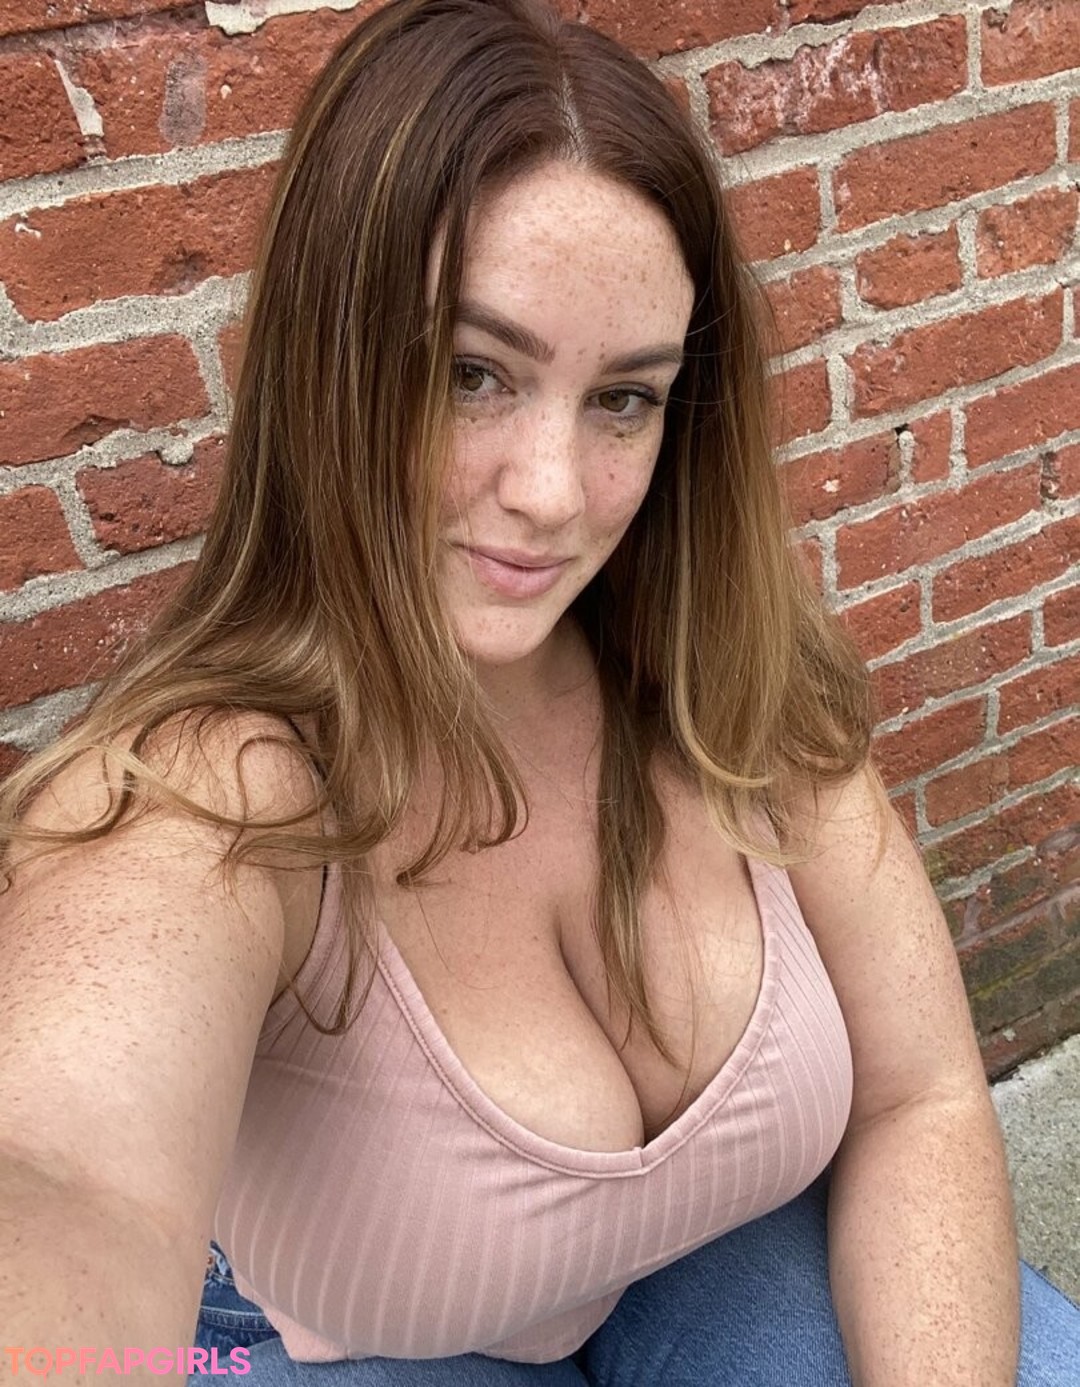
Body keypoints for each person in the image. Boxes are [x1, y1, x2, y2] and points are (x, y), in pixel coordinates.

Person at [1, 0, 1078, 1382]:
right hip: (331, 1341)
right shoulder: (215, 798)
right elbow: (62, 1176)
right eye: (472, 374)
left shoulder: (726, 676)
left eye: (623, 398)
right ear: (330, 364)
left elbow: (920, 1096)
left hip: (699, 1252)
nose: (555, 495)